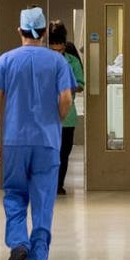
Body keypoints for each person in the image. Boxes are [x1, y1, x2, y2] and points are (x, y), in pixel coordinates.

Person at [0, 6, 75, 260]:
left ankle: (18, 243)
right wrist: (55, 121)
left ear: (20, 31)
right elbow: (66, 99)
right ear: (45, 32)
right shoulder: (58, 62)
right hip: (47, 141)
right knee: (43, 198)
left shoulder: (6, 61)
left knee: (15, 193)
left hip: (14, 140)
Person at [48, 21, 85, 196]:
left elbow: (81, 84)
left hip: (67, 116)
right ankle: (48, 185)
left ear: (64, 45)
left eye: (60, 49)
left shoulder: (72, 61)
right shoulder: (42, 60)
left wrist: (67, 87)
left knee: (64, 153)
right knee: (48, 153)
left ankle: (58, 185)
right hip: (46, 116)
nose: (57, 53)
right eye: (53, 50)